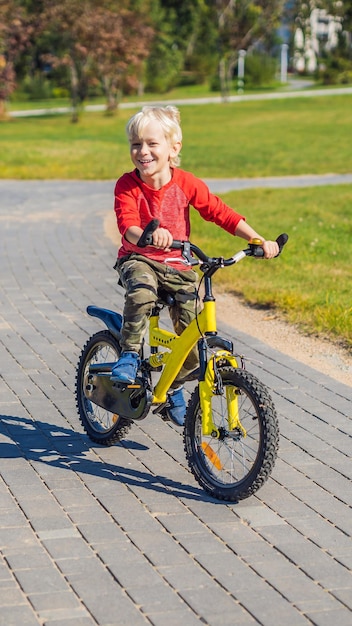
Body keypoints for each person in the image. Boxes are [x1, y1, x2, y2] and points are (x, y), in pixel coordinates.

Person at [111, 105, 279, 426]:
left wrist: (257, 239)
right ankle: (130, 354)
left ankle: (170, 386)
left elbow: (220, 212)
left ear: (174, 148)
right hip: (139, 258)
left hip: (178, 266)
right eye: (136, 144)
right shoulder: (127, 185)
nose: (142, 151)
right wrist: (148, 236)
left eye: (151, 144)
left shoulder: (187, 183)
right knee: (144, 292)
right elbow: (127, 225)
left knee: (194, 342)